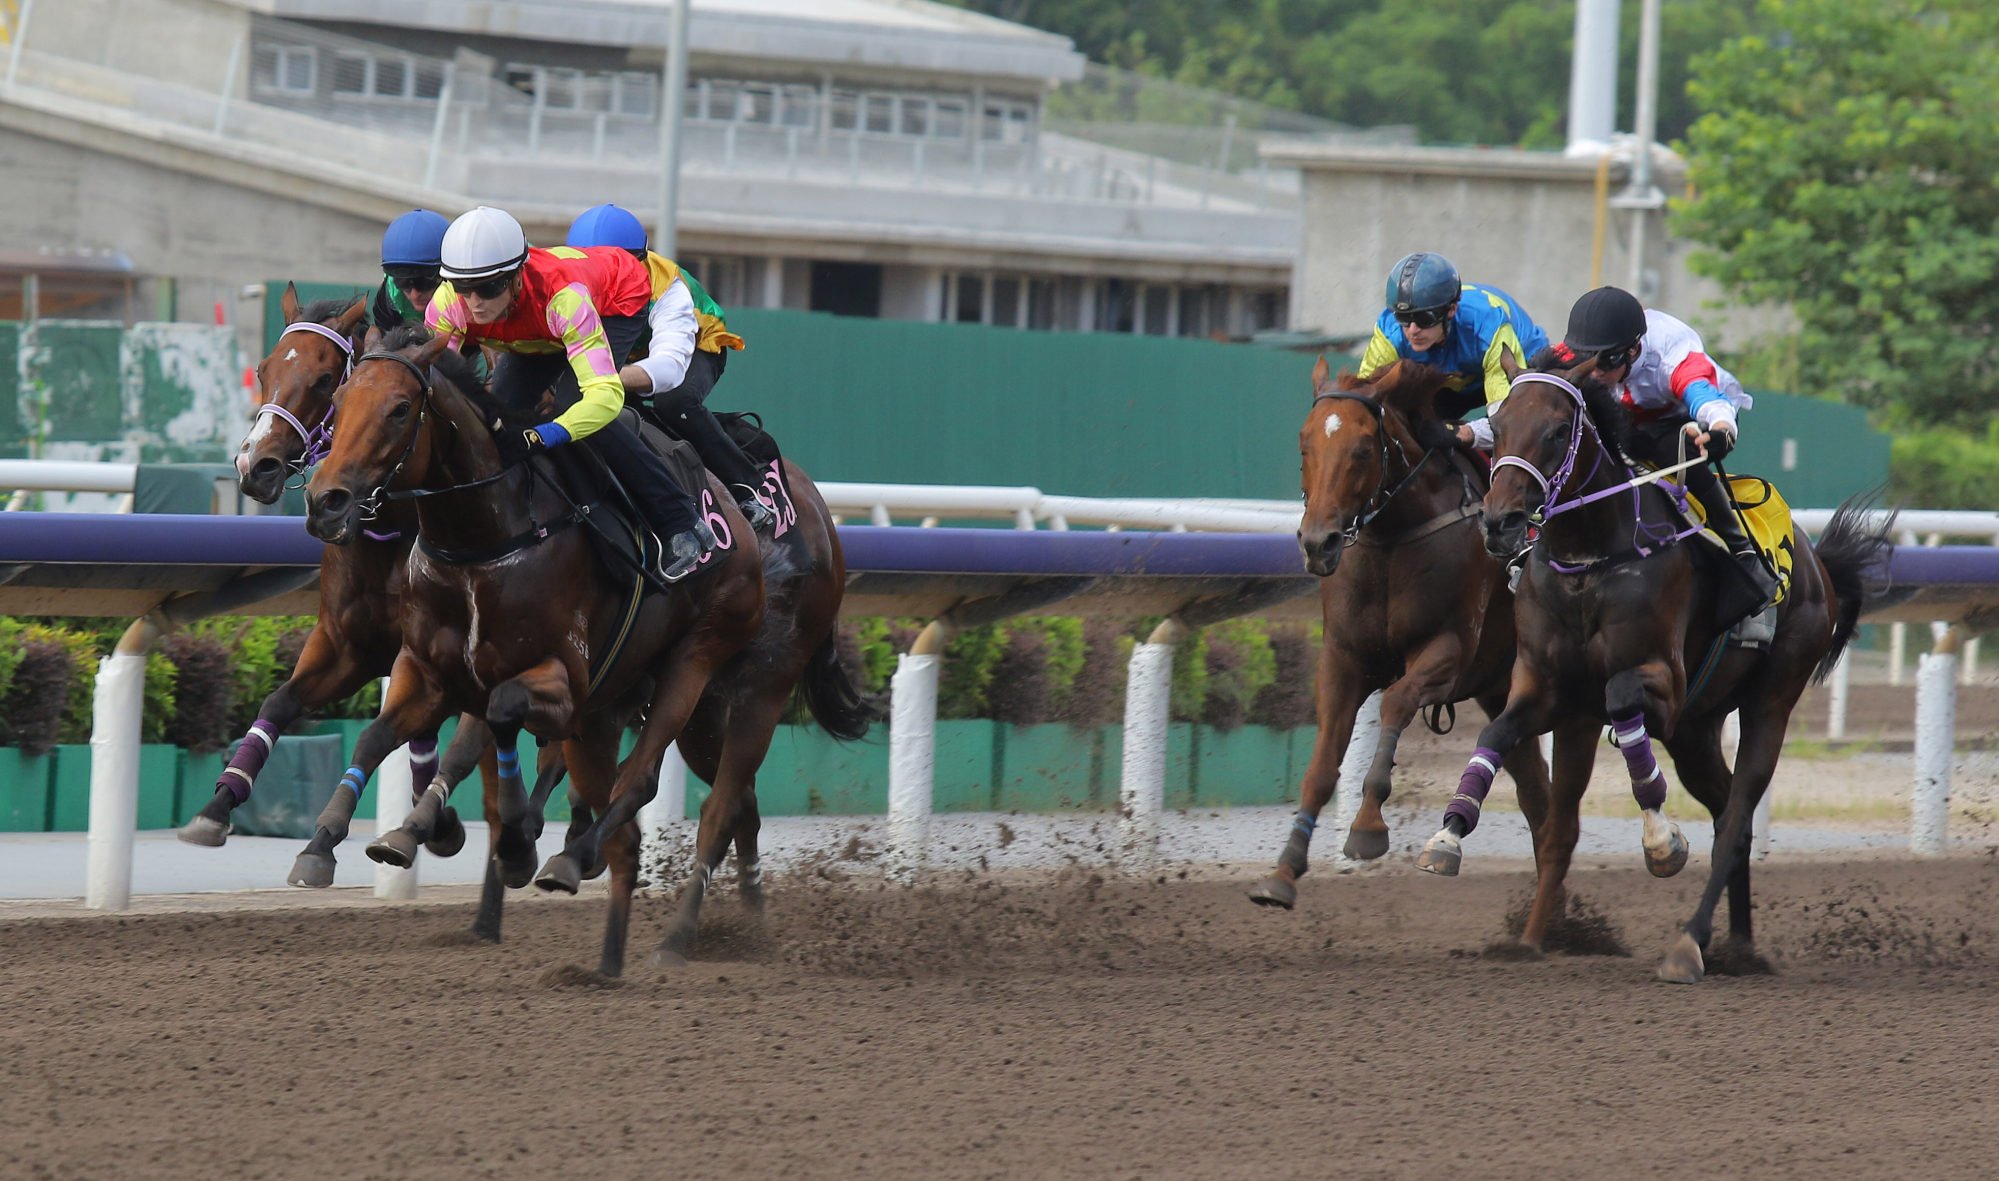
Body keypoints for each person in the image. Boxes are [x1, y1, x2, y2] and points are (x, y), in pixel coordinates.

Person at [426, 205, 717, 583]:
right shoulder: (447, 305)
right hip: (537, 327)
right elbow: (436, 390)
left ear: (516, 278)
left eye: (488, 287)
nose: (475, 302)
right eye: (464, 288)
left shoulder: (566, 298)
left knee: (572, 402)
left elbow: (604, 398)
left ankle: (680, 520)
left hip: (615, 297)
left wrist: (543, 434)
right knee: (498, 417)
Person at [1551, 285, 1781, 613]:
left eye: (1605, 362)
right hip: (1623, 419)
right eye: (1588, 361)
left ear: (1632, 351)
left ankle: (1740, 549)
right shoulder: (1584, 350)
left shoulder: (1672, 355)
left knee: (1676, 450)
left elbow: (1706, 398)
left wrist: (1721, 429)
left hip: (1682, 422)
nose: (1595, 372)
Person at [565, 203, 772, 531]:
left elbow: (668, 367)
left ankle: (747, 486)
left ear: (641, 263)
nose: (601, 281)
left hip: (695, 347)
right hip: (626, 354)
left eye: (615, 269)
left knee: (674, 401)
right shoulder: (559, 281)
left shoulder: (667, 289)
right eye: (591, 269)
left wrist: (605, 377)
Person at [1359, 251, 1548, 424]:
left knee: (1516, 437)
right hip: (1452, 383)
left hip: (1520, 368)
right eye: (1404, 318)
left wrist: (1466, 434)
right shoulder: (1389, 331)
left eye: (1425, 318)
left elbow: (1506, 416)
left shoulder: (1485, 324)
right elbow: (1364, 398)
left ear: (1451, 310)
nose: (1413, 330)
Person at [372, 209, 451, 332]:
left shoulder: (470, 298)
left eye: (423, 283)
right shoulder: (386, 302)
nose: (415, 295)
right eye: (402, 282)